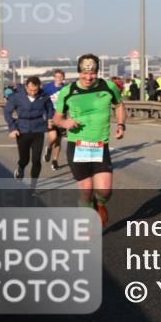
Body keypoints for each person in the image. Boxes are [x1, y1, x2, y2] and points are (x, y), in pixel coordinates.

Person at [51, 54, 126, 227]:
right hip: (77, 146)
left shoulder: (108, 87)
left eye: (92, 73)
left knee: (105, 191)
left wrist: (121, 124)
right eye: (84, 73)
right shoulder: (68, 91)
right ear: (78, 72)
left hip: (100, 145)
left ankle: (99, 203)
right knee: (86, 190)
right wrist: (65, 123)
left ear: (97, 72)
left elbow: (119, 105)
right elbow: (57, 118)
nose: (88, 77)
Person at [4, 76, 55, 191]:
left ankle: (33, 186)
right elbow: (7, 112)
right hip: (22, 130)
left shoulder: (44, 96)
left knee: (36, 160)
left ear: (39, 87)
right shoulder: (17, 97)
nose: (33, 93)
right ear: (26, 87)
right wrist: (12, 128)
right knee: (24, 159)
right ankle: (21, 167)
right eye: (30, 90)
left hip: (38, 129)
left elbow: (50, 108)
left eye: (35, 90)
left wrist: (49, 118)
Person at [43, 70, 69, 171]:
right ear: (54, 77)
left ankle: (55, 161)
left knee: (58, 140)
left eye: (61, 77)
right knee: (53, 137)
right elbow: (41, 99)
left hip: (62, 117)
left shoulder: (66, 88)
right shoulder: (47, 87)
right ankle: (49, 147)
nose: (59, 78)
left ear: (63, 78)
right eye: (57, 77)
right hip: (50, 116)